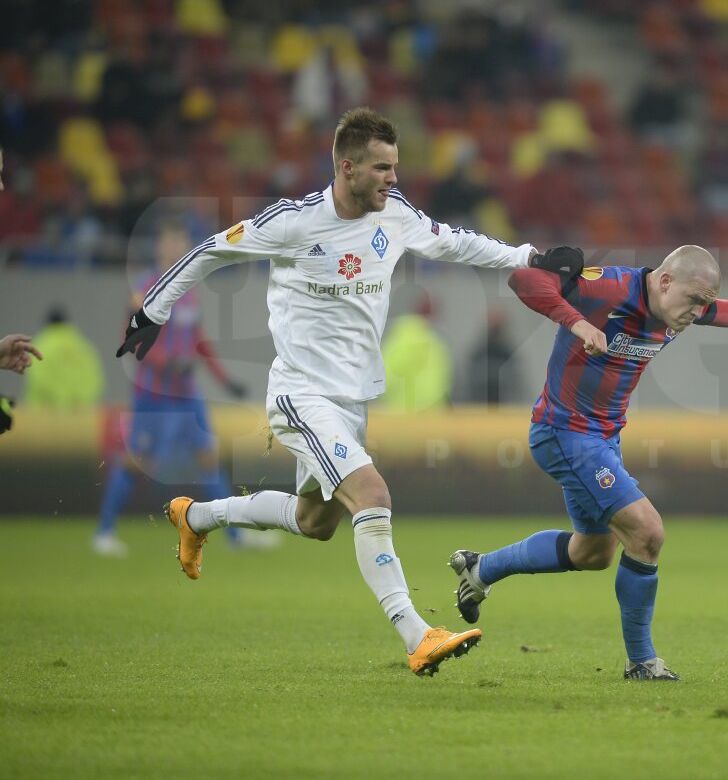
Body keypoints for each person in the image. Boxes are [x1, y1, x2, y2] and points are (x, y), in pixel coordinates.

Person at [114, 107, 582, 677]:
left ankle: (198, 517)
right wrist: (154, 310)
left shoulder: (397, 214)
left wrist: (530, 258)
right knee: (373, 494)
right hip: (300, 393)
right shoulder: (294, 221)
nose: (392, 178)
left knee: (316, 521)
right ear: (347, 166)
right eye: (382, 168)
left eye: (395, 167)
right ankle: (417, 634)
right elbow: (212, 249)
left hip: (353, 398)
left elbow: (457, 243)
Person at [448, 245, 728, 680]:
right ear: (666, 281)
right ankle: (642, 661)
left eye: (703, 304)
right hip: (565, 433)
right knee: (648, 532)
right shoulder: (611, 288)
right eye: (694, 301)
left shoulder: (679, 307)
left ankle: (481, 568)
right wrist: (576, 322)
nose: (698, 312)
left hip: (603, 439)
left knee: (593, 552)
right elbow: (525, 279)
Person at [98, 223, 251, 558]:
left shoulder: (188, 288)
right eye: (171, 241)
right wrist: (167, 363)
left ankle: (237, 537)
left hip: (187, 393)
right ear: (159, 248)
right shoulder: (144, 290)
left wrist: (224, 379)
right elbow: (131, 339)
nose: (176, 248)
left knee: (209, 456)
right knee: (136, 461)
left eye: (181, 242)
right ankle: (104, 532)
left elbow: (197, 341)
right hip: (154, 394)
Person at [23, 306, 105, 411]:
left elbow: (38, 378)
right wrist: (78, 402)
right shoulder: (84, 346)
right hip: (79, 416)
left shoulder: (40, 345)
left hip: (45, 416)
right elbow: (95, 380)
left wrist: (58, 402)